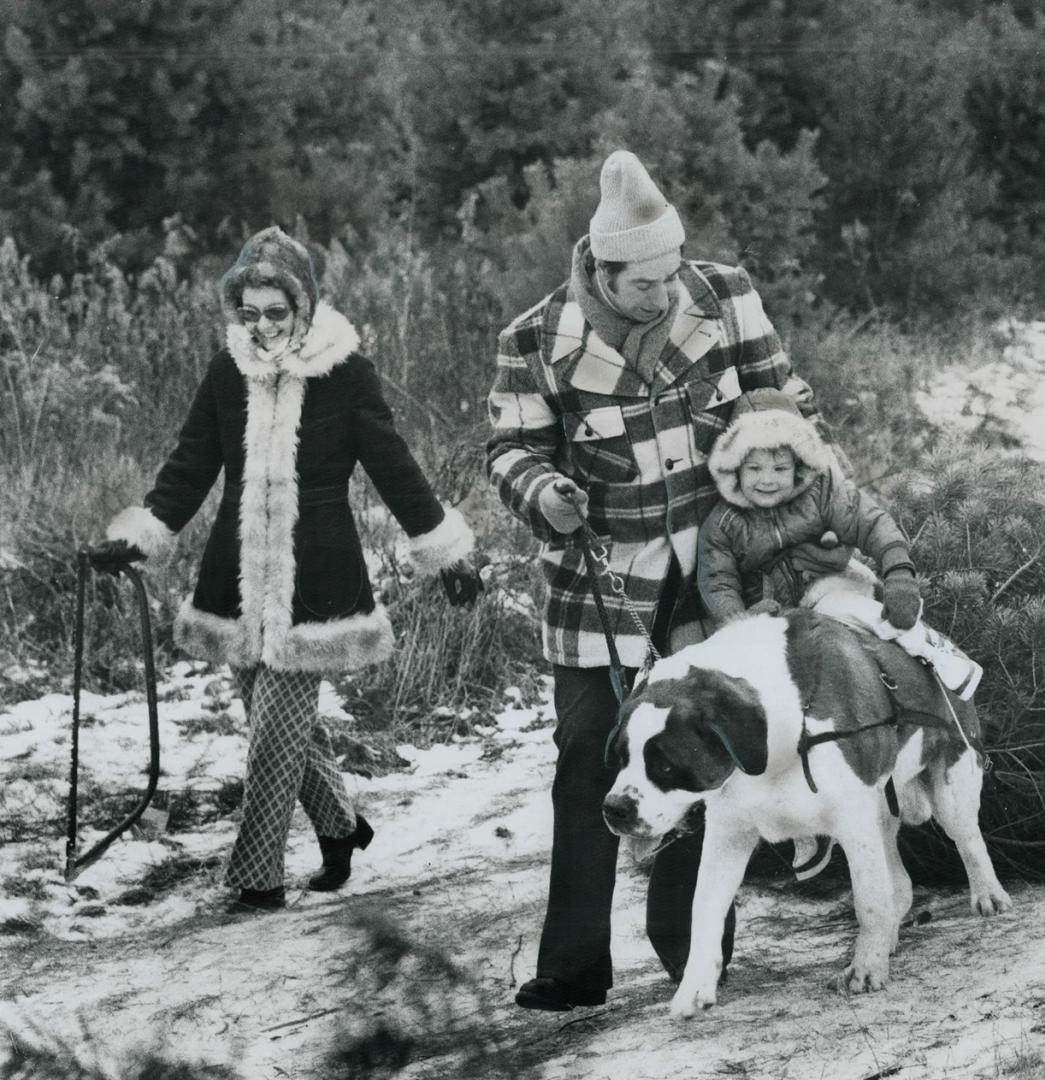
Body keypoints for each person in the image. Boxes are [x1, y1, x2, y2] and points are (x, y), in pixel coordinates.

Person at [486, 150, 843, 1011]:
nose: (664, 294)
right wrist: (547, 492)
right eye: (643, 285)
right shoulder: (533, 339)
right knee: (585, 761)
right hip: (601, 589)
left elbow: (785, 398)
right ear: (600, 272)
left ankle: (692, 950)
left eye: (671, 274)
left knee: (691, 749)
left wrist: (806, 494)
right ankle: (572, 968)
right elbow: (509, 449)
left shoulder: (723, 296)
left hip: (721, 575)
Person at [86, 226, 482, 913]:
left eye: (277, 311)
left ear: (303, 306)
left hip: (317, 579)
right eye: (251, 311)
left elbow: (394, 466)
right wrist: (140, 536)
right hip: (235, 576)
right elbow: (190, 465)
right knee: (279, 726)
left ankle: (257, 874)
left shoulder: (346, 372)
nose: (263, 325)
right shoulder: (226, 370)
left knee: (272, 734)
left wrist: (444, 551)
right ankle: (342, 825)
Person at [698, 387, 983, 698]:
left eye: (780, 468)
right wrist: (739, 621)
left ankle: (931, 647)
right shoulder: (724, 522)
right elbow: (718, 579)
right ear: (735, 468)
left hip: (825, 586)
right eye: (754, 468)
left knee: (857, 611)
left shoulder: (822, 491)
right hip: (769, 608)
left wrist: (899, 574)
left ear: (798, 466)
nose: (767, 480)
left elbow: (872, 523)